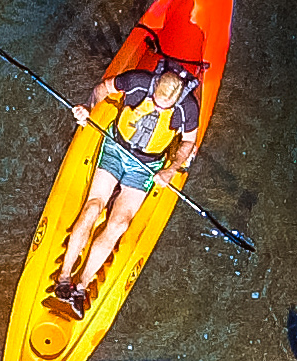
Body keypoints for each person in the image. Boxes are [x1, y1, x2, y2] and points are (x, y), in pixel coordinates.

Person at [44, 55, 205, 314]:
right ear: (154, 88)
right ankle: (63, 280)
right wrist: (87, 107)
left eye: (167, 107)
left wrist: (171, 169)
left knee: (119, 223)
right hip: (115, 148)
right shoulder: (138, 81)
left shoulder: (188, 107)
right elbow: (101, 89)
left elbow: (188, 143)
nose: (160, 109)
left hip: (147, 165)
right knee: (92, 208)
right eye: (157, 103)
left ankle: (81, 288)